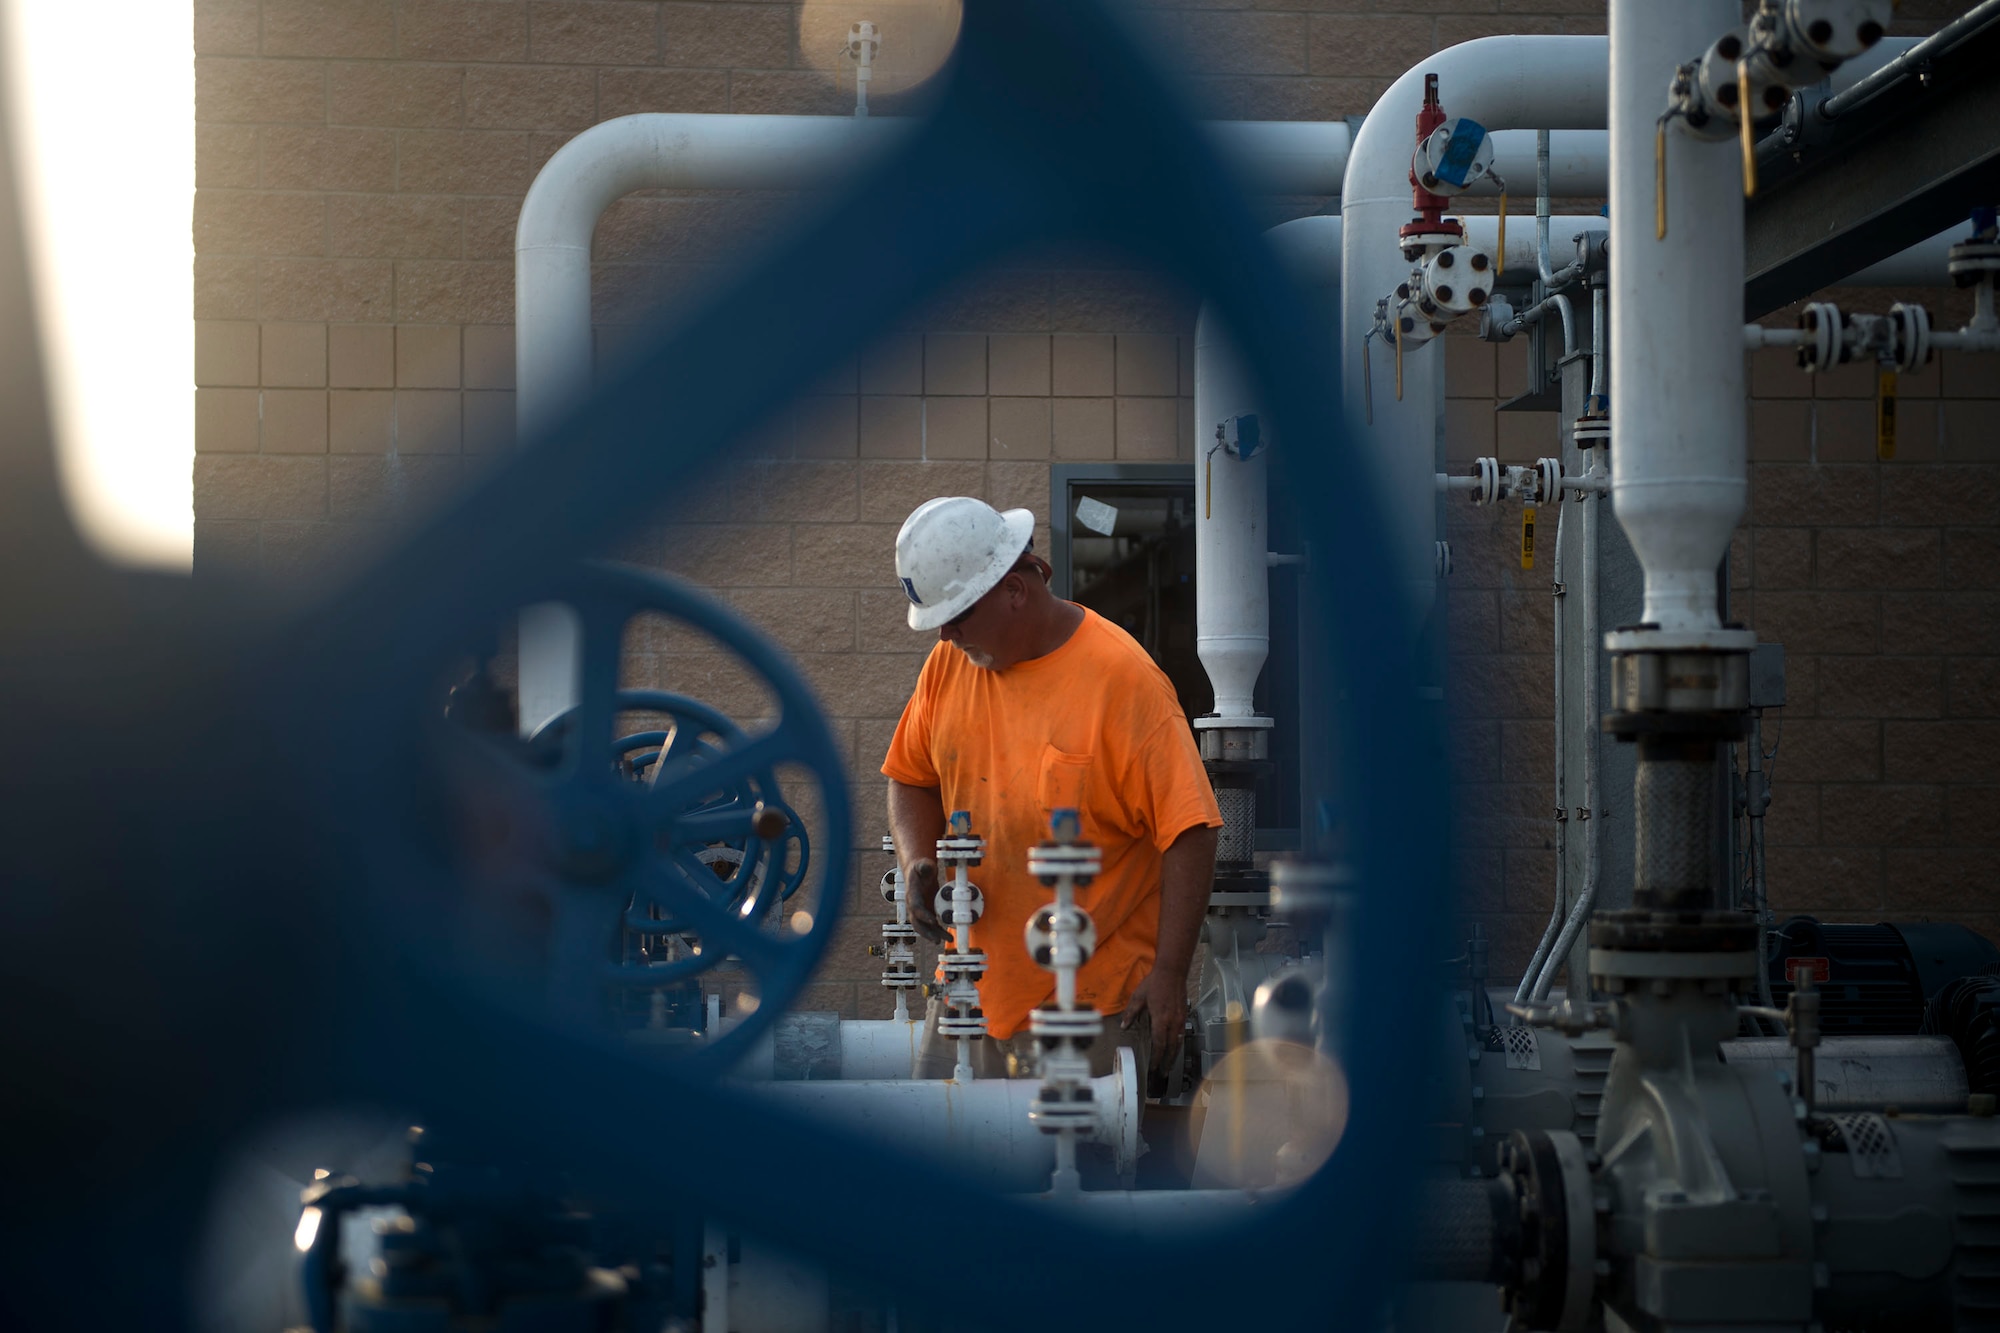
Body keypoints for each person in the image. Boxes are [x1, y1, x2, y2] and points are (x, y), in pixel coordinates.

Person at [880, 496, 1222, 1087]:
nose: (946, 633)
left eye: (959, 614)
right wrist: (915, 861)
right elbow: (909, 777)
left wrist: (1169, 972)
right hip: (968, 994)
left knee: (1077, 1177)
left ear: (1016, 590)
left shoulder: (1123, 682)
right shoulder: (948, 667)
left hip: (1092, 1009)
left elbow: (1190, 829)